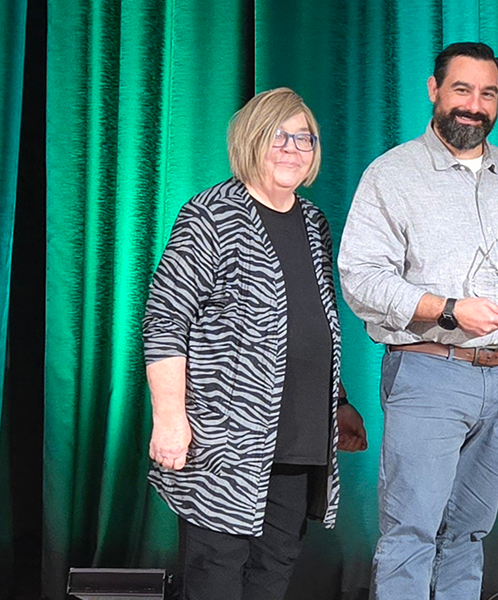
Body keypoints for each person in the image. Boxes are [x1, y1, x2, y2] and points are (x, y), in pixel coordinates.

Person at [338, 42, 498, 600]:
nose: (473, 105)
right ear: (434, 90)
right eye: (461, 89)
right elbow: (360, 278)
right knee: (411, 530)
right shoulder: (392, 174)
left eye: (487, 94)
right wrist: (450, 309)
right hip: (429, 373)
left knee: (469, 532)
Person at [143, 87, 367, 600]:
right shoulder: (210, 216)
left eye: (303, 137)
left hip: (297, 436)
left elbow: (313, 324)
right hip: (226, 440)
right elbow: (165, 319)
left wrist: (339, 402)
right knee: (218, 573)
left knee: (275, 567)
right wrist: (170, 417)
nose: (292, 148)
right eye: (277, 136)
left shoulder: (313, 223)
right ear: (250, 140)